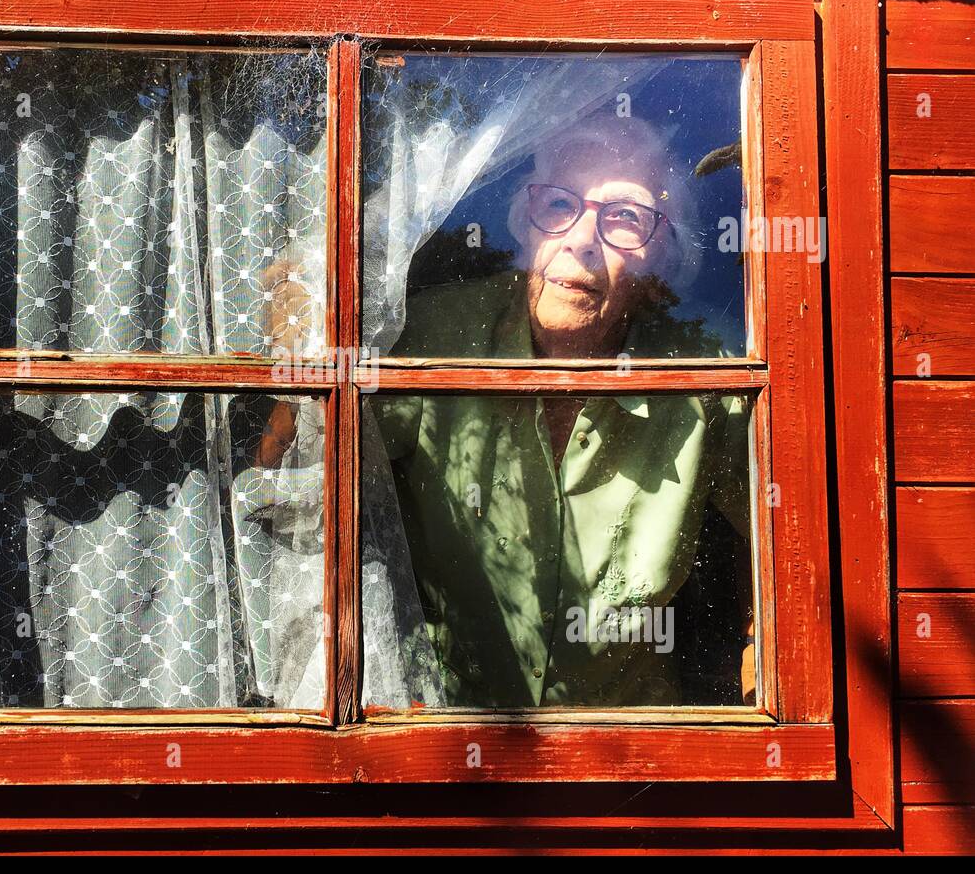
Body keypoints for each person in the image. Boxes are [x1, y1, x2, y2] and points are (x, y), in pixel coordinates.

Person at [267, 116, 756, 708]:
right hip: (440, 732)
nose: (580, 241)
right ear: (524, 230)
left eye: (623, 217)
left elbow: (783, 543)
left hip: (625, 744)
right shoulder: (431, 335)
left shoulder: (715, 376)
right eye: (558, 206)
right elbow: (297, 479)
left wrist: (762, 679)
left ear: (663, 258)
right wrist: (298, 359)